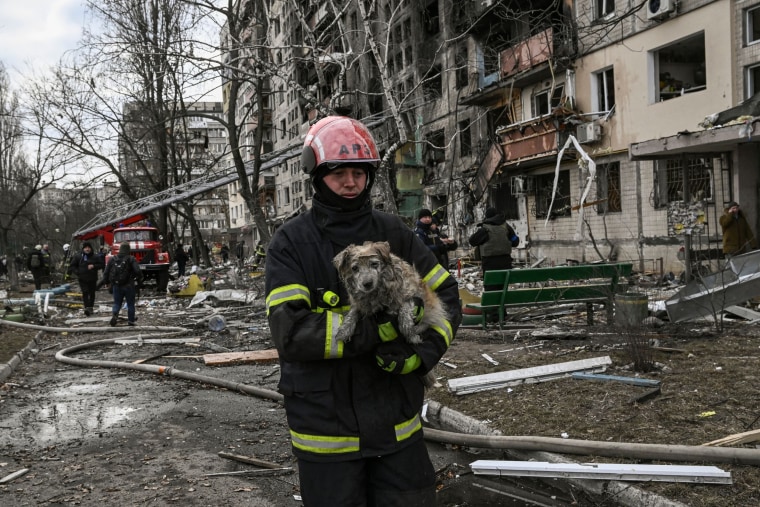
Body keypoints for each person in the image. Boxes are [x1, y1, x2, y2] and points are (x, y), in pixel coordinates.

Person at [265, 116, 461, 506]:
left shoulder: (395, 234)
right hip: (326, 434)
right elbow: (290, 331)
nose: (351, 182)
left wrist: (421, 355)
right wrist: (378, 332)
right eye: (339, 173)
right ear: (317, 175)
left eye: (359, 172)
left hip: (397, 428)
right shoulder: (291, 243)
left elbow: (448, 297)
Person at [99, 242, 143, 326]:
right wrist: (138, 279)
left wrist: (107, 282)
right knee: (130, 303)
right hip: (129, 285)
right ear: (128, 250)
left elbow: (106, 272)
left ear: (120, 249)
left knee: (117, 303)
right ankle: (131, 320)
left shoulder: (113, 259)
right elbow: (138, 271)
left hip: (116, 285)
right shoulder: (131, 258)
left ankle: (115, 314)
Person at [468, 207, 514, 273]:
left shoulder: (484, 229)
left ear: (487, 216)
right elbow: (515, 241)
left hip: (489, 264)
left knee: (491, 282)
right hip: (506, 263)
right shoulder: (507, 227)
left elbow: (472, 241)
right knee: (504, 282)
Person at [69, 242, 104, 316]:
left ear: (91, 249)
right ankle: (87, 308)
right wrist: (77, 272)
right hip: (82, 278)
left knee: (92, 293)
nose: (87, 249)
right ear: (83, 249)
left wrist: (94, 266)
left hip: (92, 278)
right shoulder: (78, 256)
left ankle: (91, 307)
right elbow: (72, 266)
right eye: (86, 248)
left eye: (88, 248)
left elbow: (102, 264)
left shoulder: (95, 257)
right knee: (85, 292)